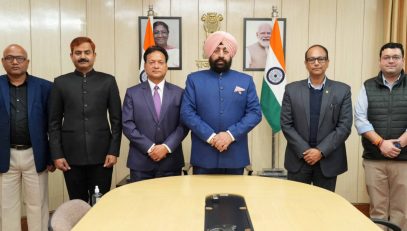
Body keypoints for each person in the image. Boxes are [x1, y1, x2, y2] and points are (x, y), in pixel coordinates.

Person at [48, 37, 122, 203]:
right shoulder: (60, 83)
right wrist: (57, 154)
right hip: (70, 157)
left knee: (100, 202)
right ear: (71, 56)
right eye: (78, 53)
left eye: (87, 52)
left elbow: (117, 120)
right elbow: (53, 123)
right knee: (77, 204)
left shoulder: (108, 81)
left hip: (103, 156)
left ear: (94, 55)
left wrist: (113, 150)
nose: (83, 56)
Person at [181, 31, 262, 175]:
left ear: (231, 54)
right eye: (216, 50)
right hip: (203, 156)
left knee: (235, 197)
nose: (221, 55)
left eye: (225, 51)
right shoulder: (194, 80)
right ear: (209, 53)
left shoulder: (245, 80)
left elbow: (255, 113)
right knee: (200, 197)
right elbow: (187, 114)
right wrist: (212, 137)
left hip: (235, 156)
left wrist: (230, 135)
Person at [280, 44, 352, 192]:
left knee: (325, 208)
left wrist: (320, 151)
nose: (316, 63)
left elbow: (344, 126)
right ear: (306, 63)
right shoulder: (291, 90)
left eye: (321, 59)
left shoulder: (342, 90)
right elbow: (286, 124)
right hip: (299, 159)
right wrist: (306, 151)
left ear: (327, 62)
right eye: (312, 59)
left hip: (328, 159)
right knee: (296, 205)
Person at [0, 44, 54, 231]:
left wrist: (51, 156)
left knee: (37, 205)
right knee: (7, 206)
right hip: (5, 155)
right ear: (2, 62)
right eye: (9, 58)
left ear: (27, 62)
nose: (15, 62)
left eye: (20, 58)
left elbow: (52, 125)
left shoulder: (45, 87)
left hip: (35, 154)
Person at [354, 42, 407, 230]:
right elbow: (360, 120)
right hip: (374, 159)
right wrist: (381, 143)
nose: (391, 61)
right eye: (386, 57)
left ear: (403, 60)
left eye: (395, 57)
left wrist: (399, 144)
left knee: (402, 210)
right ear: (380, 61)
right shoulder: (368, 86)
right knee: (377, 209)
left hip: (404, 161)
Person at [122, 46, 188, 182]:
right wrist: (150, 148)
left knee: (171, 202)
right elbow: (127, 124)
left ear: (166, 66)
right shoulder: (132, 93)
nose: (156, 66)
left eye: (160, 62)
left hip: (170, 161)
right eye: (151, 62)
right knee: (141, 202)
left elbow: (184, 125)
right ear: (145, 66)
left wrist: (165, 147)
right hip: (141, 162)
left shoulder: (180, 93)